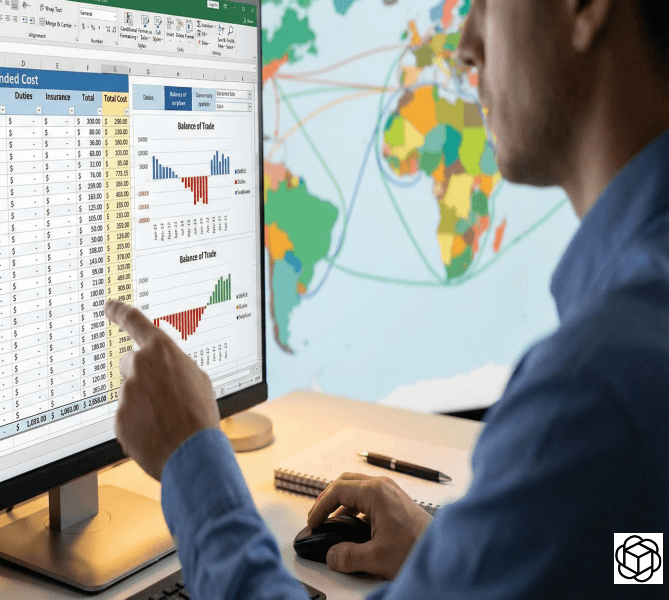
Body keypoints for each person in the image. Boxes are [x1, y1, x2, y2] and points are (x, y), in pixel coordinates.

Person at [104, 0, 669, 597]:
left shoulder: (595, 389)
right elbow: (630, 564)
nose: (466, 44)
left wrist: (191, 458)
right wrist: (465, 554)